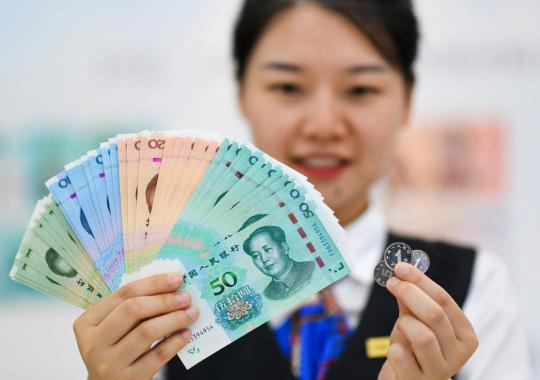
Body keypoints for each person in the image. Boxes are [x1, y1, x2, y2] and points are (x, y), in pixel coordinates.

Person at [73, 1, 532, 380]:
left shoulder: (473, 289)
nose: (323, 125)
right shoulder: (156, 298)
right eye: (289, 87)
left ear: (407, 101)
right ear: (242, 94)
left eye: (361, 90)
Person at [243, 225, 315, 300]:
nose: (264, 259)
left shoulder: (312, 269)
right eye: (256, 255)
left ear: (284, 248)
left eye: (267, 249)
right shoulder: (267, 295)